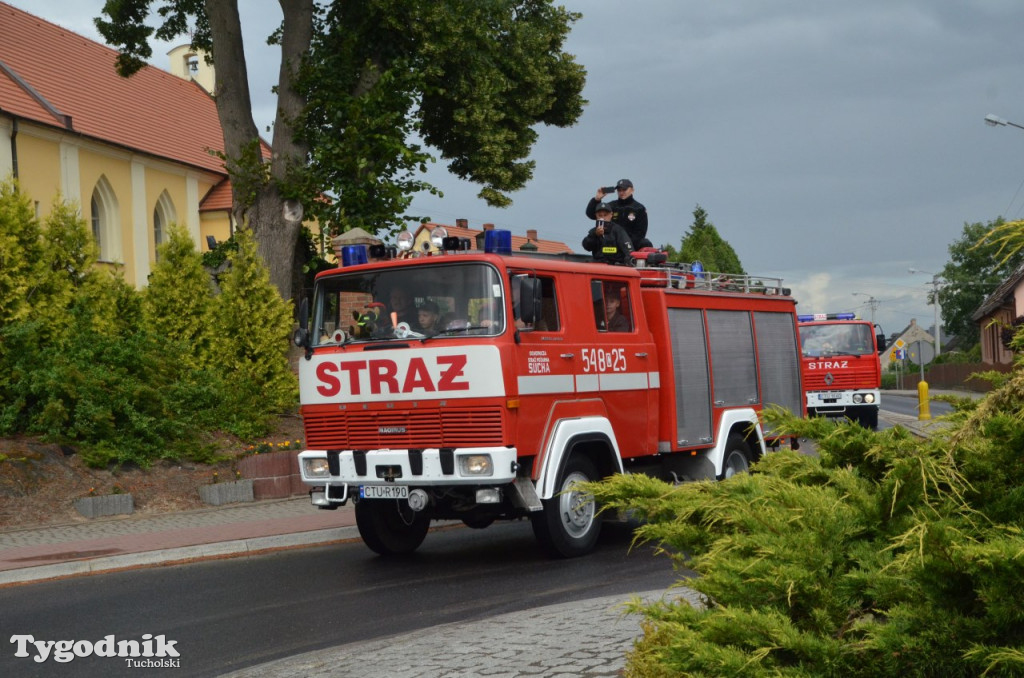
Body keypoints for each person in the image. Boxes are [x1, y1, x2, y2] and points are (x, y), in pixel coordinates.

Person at [585, 178, 651, 250]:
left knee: (645, 243)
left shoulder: (639, 208)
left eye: (624, 189)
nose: (621, 192)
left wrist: (624, 243)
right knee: (589, 240)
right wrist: (597, 199)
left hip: (630, 246)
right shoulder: (611, 206)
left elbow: (640, 233)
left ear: (632, 190)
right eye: (619, 190)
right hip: (610, 243)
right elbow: (591, 214)